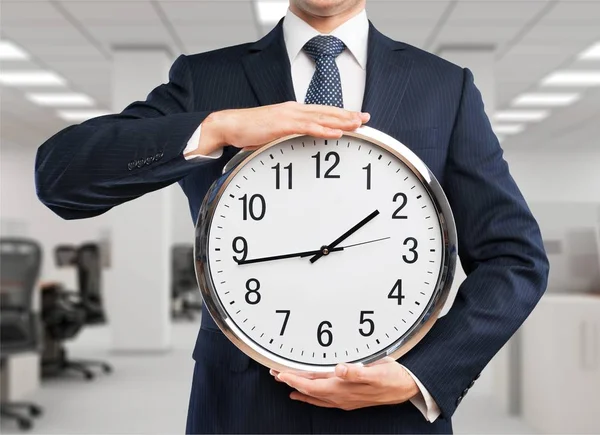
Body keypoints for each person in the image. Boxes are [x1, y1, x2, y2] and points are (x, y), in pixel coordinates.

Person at [34, 0, 549, 433]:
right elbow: (60, 178)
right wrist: (218, 126)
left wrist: (422, 375)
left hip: (391, 409)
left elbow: (515, 257)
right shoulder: (207, 79)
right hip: (242, 405)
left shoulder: (444, 87)